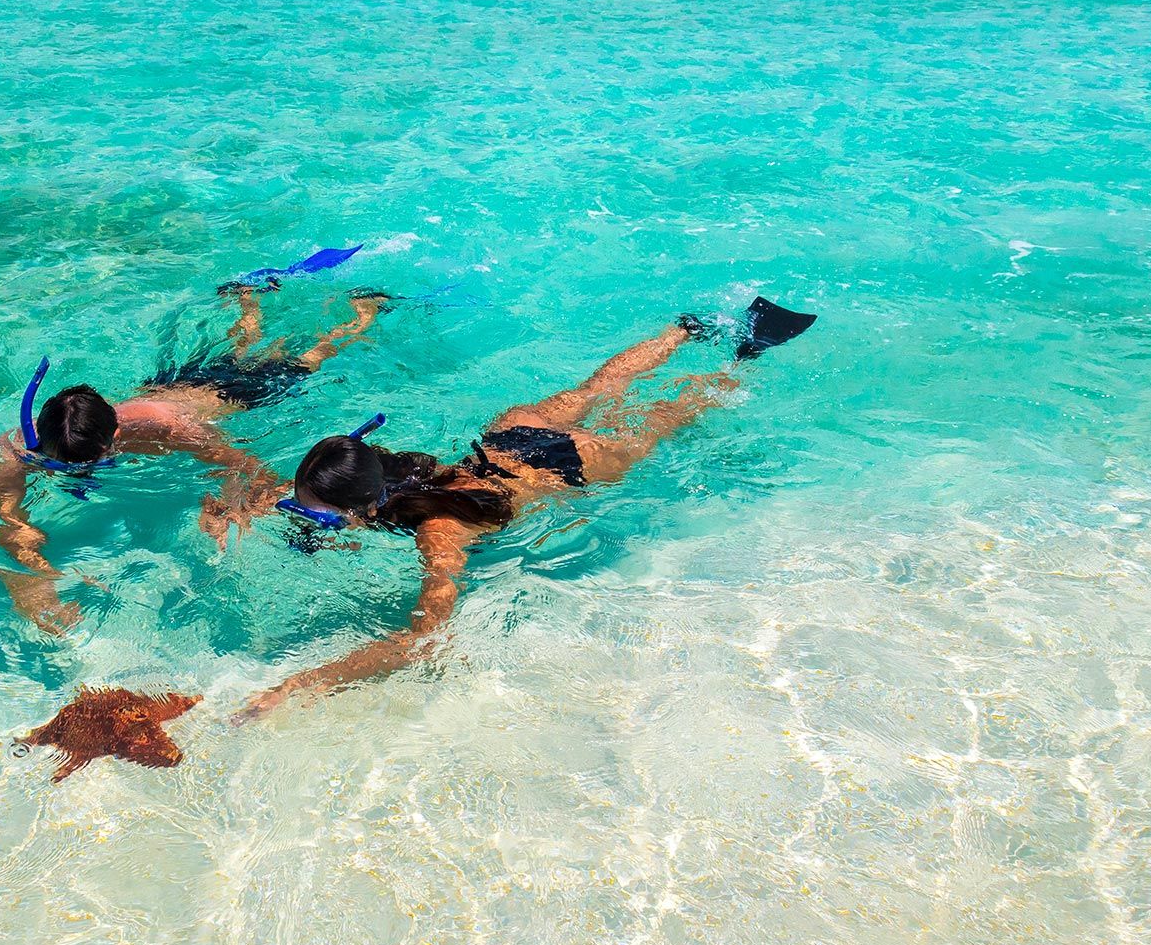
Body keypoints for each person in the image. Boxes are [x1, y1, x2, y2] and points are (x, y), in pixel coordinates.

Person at [237, 297, 816, 721]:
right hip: (510, 436)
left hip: (573, 467)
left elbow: (420, 641)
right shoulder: (379, 471)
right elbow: (284, 493)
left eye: (317, 514)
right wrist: (238, 505)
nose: (305, 514)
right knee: (595, 389)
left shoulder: (439, 534)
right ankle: (684, 328)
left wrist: (299, 686)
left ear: (362, 507)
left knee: (668, 416)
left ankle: (740, 363)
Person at [0, 282, 388, 634]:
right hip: (171, 386)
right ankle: (249, 299)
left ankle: (363, 312)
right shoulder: (27, 442)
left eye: (97, 463)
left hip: (232, 396)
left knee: (308, 358)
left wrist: (231, 503)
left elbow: (237, 461)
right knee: (240, 347)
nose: (82, 473)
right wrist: (25, 553)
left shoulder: (166, 428)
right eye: (63, 465)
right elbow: (6, 501)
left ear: (117, 437)